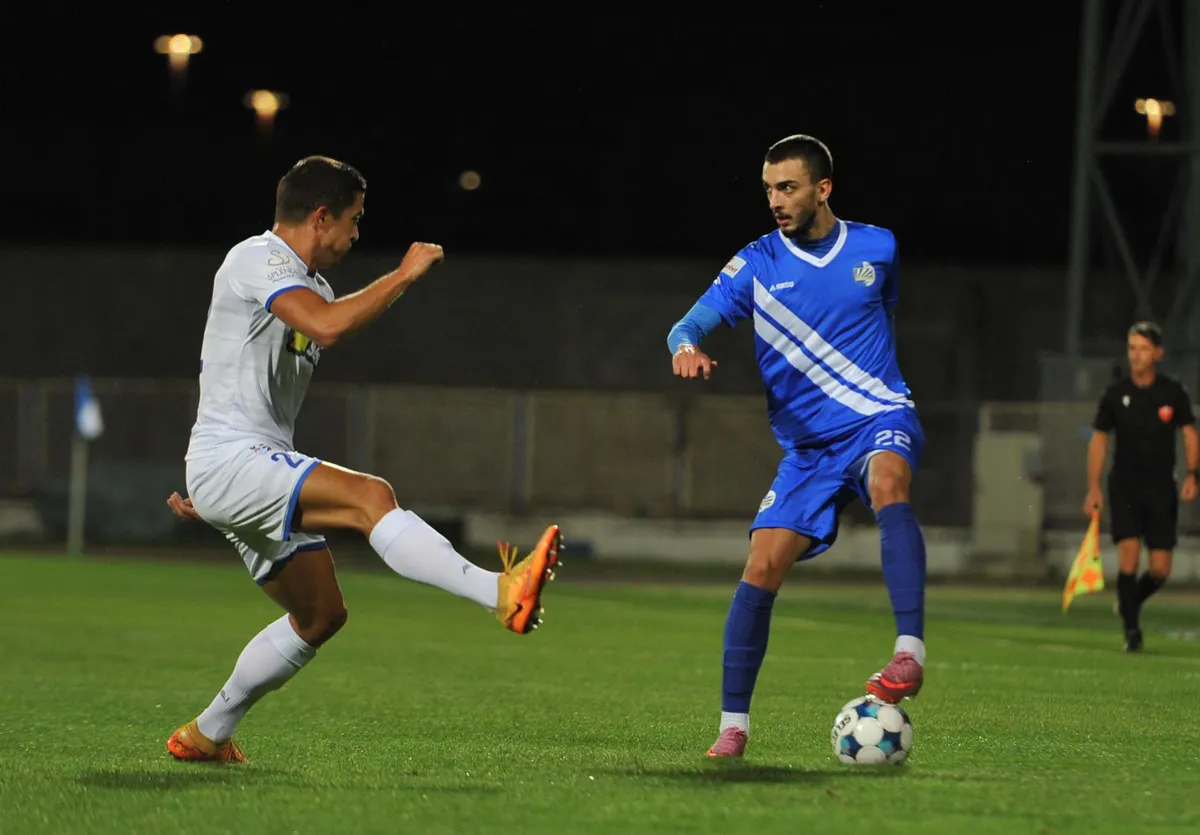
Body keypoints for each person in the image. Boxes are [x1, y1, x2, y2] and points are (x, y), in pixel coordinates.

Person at [163, 155, 562, 763]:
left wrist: (228, 500)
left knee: (321, 615)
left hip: (242, 466)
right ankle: (500, 592)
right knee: (372, 497)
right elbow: (324, 329)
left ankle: (206, 735)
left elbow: (303, 333)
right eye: (354, 221)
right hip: (230, 459)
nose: (355, 236)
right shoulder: (257, 257)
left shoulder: (312, 285)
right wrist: (403, 275)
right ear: (320, 217)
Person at [667, 135, 927, 759]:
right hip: (807, 451)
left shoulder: (877, 246)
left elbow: (880, 319)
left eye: (788, 188)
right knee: (761, 566)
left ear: (822, 189)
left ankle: (908, 654)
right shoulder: (755, 264)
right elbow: (689, 322)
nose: (776, 201)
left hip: (877, 414)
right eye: (768, 190)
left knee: (889, 481)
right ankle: (733, 727)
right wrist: (685, 347)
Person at [1084, 320, 1197, 652]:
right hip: (1125, 486)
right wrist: (1093, 487)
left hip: (1162, 486)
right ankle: (1132, 632)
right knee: (1129, 559)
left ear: (1158, 353)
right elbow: (1099, 441)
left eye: (1143, 348)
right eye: (1132, 348)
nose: (1136, 355)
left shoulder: (1172, 393)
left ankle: (1128, 602)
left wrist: (1193, 473)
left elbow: (1189, 433)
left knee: (1160, 568)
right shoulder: (1115, 395)